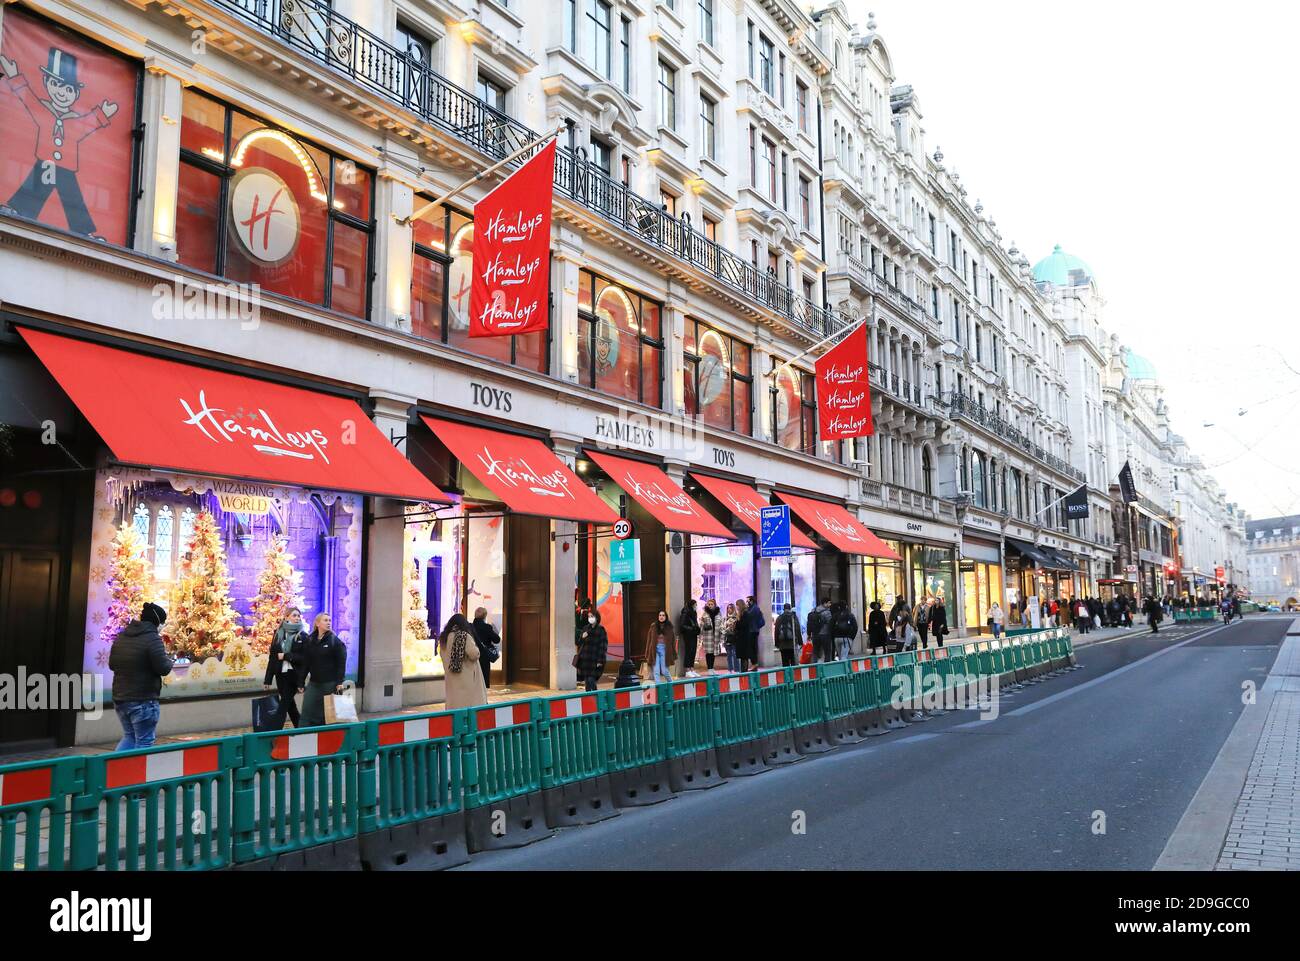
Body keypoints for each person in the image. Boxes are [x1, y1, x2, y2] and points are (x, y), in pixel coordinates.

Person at [109, 602, 174, 751]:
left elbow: (112, 664)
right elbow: (163, 668)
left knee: (129, 737)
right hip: (143, 700)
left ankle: (116, 771)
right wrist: (170, 661)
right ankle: (136, 774)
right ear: (157, 622)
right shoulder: (152, 639)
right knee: (144, 742)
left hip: (120, 698)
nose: (162, 626)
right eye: (162, 623)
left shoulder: (122, 635)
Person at [298, 613, 347, 727]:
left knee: (326, 716)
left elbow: (341, 663)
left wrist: (340, 682)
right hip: (314, 684)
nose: (328, 622)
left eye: (329, 620)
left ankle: (326, 739)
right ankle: (301, 737)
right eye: (325, 620)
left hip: (330, 684)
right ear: (317, 623)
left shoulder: (335, 641)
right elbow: (306, 663)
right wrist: (301, 681)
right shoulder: (310, 640)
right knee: (307, 712)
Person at [262, 606, 306, 728]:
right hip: (280, 675)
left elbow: (304, 658)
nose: (297, 618)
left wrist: (286, 656)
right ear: (286, 617)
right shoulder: (278, 635)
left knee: (283, 704)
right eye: (294, 615)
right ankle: (300, 728)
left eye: (298, 616)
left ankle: (274, 731)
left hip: (294, 675)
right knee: (290, 705)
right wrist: (268, 679)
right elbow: (272, 658)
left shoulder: (302, 636)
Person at [439, 612, 487, 709]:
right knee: (467, 704)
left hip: (451, 676)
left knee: (454, 701)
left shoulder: (444, 638)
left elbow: (442, 655)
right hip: (466, 677)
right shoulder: (464, 636)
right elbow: (474, 654)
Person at [575, 610, 608, 692]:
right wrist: (582, 637)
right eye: (589, 616)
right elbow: (579, 643)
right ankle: (589, 698)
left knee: (591, 680)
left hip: (595, 659)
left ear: (597, 618)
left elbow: (603, 646)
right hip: (585, 660)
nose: (590, 618)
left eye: (592, 616)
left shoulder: (601, 630)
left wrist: (600, 660)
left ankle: (595, 697)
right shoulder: (585, 628)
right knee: (587, 681)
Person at [471, 607, 500, 691]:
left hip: (472, 657)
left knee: (474, 680)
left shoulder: (470, 627)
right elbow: (497, 639)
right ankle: (482, 701)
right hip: (484, 657)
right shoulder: (487, 627)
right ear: (484, 616)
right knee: (483, 681)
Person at [644, 611, 676, 682]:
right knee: (656, 671)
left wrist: (673, 652)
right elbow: (649, 640)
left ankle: (671, 685)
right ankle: (658, 689)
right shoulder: (653, 626)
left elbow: (673, 641)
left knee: (665, 671)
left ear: (666, 617)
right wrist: (647, 652)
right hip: (654, 650)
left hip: (665, 650)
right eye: (660, 615)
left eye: (663, 615)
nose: (661, 617)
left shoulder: (669, 627)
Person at [741, 595, 765, 671]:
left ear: (751, 601)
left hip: (752, 631)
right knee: (752, 648)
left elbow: (749, 616)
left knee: (752, 648)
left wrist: (744, 609)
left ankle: (754, 663)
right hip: (753, 630)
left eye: (748, 601)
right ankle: (754, 664)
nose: (747, 602)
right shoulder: (753, 608)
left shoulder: (755, 608)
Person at [807, 597, 834, 663]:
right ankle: (827, 667)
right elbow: (830, 623)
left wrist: (809, 634)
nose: (830, 604)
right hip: (825, 634)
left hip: (815, 634)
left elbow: (809, 623)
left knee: (815, 651)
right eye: (829, 603)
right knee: (827, 652)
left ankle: (814, 666)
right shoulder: (827, 612)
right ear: (825, 603)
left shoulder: (814, 610)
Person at [678, 599, 701, 678]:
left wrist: (697, 629)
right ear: (691, 605)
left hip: (693, 634)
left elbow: (695, 623)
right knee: (688, 651)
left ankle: (692, 669)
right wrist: (692, 628)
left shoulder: (694, 613)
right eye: (695, 605)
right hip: (688, 635)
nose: (696, 606)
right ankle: (687, 670)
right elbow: (682, 625)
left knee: (693, 651)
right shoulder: (685, 613)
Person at [775, 602, 801, 667]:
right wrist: (800, 642)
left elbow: (776, 631)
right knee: (793, 662)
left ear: (784, 609)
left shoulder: (779, 618)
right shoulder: (794, 617)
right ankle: (793, 676)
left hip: (782, 644)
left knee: (785, 662)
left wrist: (777, 643)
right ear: (790, 609)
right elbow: (797, 630)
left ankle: (786, 676)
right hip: (792, 643)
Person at [699, 599, 721, 673]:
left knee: (713, 652)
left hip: (715, 635)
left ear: (714, 605)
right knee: (709, 653)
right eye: (709, 604)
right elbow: (701, 624)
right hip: (708, 636)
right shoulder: (705, 614)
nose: (710, 606)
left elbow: (721, 623)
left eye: (712, 604)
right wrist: (703, 624)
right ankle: (709, 668)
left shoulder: (718, 613)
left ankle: (712, 668)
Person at [723, 602, 740, 673]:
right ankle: (730, 669)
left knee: (735, 654)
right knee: (728, 655)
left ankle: (736, 669)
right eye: (728, 608)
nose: (729, 609)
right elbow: (723, 628)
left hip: (734, 638)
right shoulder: (725, 618)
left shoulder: (736, 618)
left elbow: (735, 628)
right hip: (727, 638)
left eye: (730, 608)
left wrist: (730, 628)